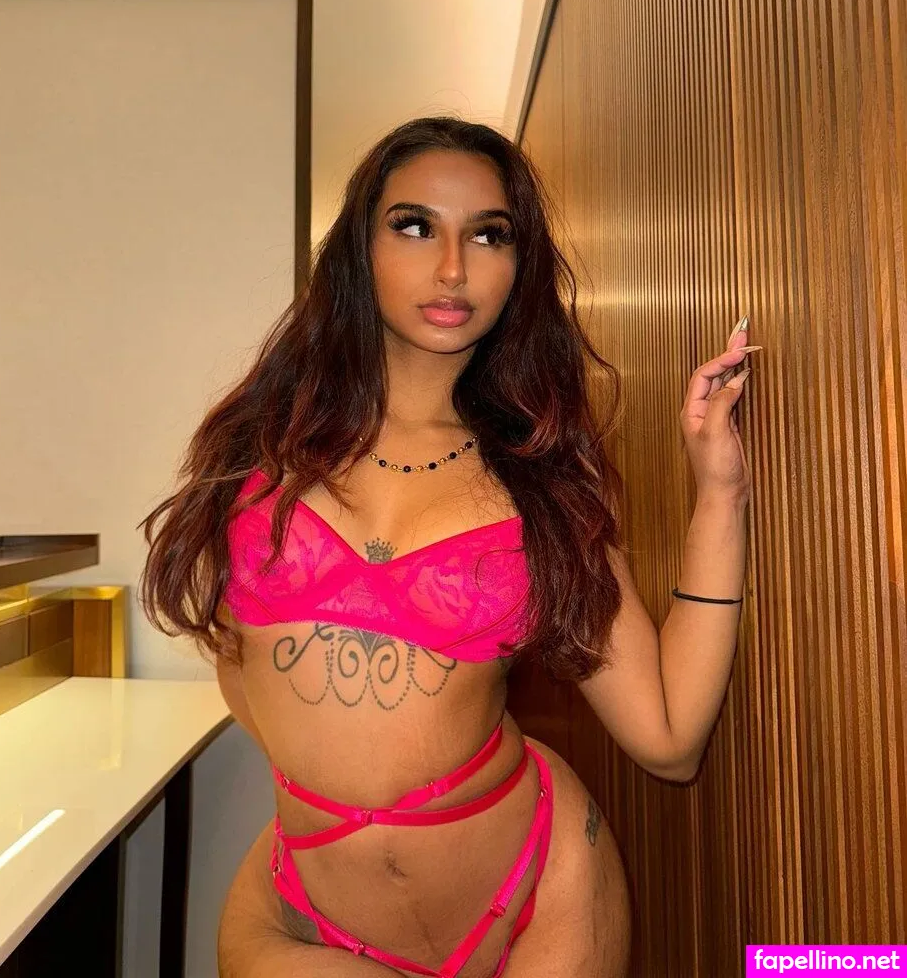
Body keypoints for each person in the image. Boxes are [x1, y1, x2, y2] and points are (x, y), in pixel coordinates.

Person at [139, 116, 755, 978]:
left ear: (519, 267)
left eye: (489, 235)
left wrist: (720, 492)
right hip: (307, 917)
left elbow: (669, 737)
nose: (454, 268)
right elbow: (243, 667)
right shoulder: (256, 449)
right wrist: (356, 800)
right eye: (415, 225)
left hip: (537, 896)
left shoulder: (540, 484)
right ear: (360, 247)